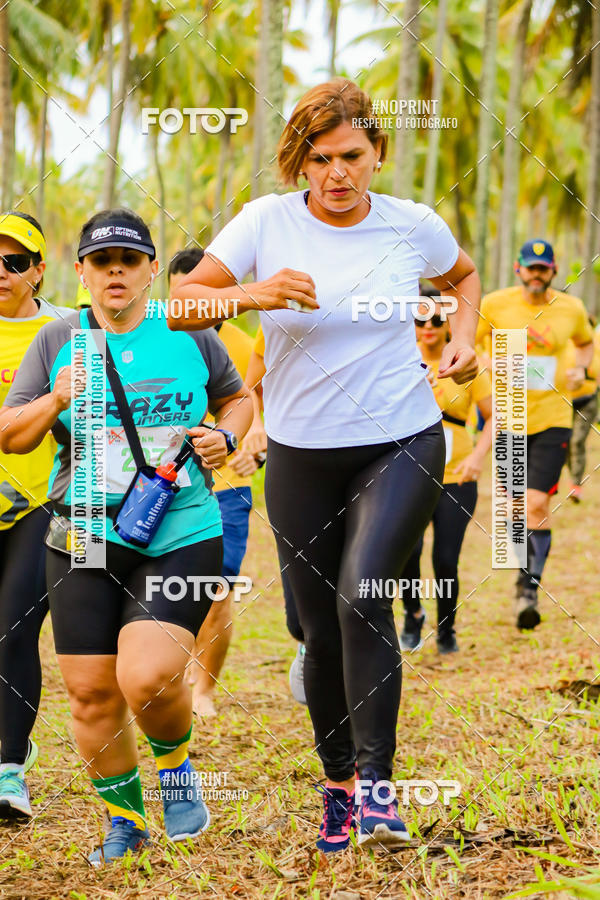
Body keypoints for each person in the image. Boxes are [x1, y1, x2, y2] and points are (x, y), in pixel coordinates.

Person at [169, 78, 480, 851]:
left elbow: (464, 278)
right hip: (303, 451)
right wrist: (253, 292)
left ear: (377, 153)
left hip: (401, 437)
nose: (337, 174)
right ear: (299, 163)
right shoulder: (265, 223)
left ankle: (379, 790)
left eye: (351, 156)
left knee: (361, 595)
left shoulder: (413, 224)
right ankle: (338, 785)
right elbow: (179, 302)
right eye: (320, 159)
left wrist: (466, 340)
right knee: (315, 627)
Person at [0, 209, 252, 863]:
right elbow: (11, 434)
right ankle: (125, 819)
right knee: (89, 691)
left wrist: (226, 436)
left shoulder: (189, 331)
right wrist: (54, 400)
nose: (116, 271)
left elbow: (237, 398)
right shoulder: (57, 339)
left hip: (180, 526)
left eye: (130, 260)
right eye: (102, 261)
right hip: (82, 530)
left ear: (149, 270)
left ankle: (174, 766)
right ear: (80, 271)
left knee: (148, 676)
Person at [477, 239, 594, 630]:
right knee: (512, 509)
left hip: (552, 418)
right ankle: (520, 578)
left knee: (536, 504)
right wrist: (486, 364)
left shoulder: (571, 308)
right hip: (508, 415)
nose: (537, 274)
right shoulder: (494, 304)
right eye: (531, 267)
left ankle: (529, 589)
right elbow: (473, 344)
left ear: (554, 271)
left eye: (544, 268)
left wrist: (581, 369)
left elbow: (585, 343)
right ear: (518, 269)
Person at [168, 248, 261, 717]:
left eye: (209, 294)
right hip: (158, 491)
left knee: (218, 590)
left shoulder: (245, 345)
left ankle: (204, 688)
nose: (199, 303)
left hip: (224, 489)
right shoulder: (154, 339)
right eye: (188, 292)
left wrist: (255, 447)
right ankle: (171, 674)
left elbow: (260, 408)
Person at [0, 212, 66, 818]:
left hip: (39, 503)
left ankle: (9, 770)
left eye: (14, 261)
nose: (1, 272)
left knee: (15, 628)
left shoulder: (65, 330)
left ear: (38, 270)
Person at [400, 289, 492, 655]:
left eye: (437, 320)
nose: (428, 328)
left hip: (457, 476)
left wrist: (478, 458)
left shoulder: (465, 361)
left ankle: (447, 628)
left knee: (445, 559)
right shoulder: (399, 360)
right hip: (408, 475)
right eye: (420, 320)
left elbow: (495, 415)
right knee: (408, 552)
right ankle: (412, 615)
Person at [246, 329, 306, 704]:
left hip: (362, 459)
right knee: (300, 563)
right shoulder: (280, 319)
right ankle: (306, 643)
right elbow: (250, 386)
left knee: (359, 581)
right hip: (295, 459)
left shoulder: (373, 310)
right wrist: (255, 425)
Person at [565, 320, 600, 502]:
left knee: (577, 441)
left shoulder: (595, 343)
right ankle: (572, 477)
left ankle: (576, 485)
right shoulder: (565, 342)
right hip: (565, 401)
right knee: (567, 443)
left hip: (588, 401)